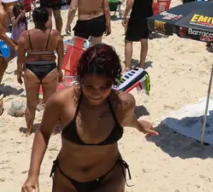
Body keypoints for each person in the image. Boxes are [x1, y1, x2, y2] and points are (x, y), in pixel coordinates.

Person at [22, 44, 156, 192]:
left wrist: (139, 126)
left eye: (104, 87)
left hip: (109, 178)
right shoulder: (61, 101)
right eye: (89, 86)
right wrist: (32, 175)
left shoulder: (123, 103)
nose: (96, 93)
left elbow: (127, 119)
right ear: (80, 78)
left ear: (113, 81)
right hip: (67, 180)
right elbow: (43, 132)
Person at [17, 7, 65, 135]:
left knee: (31, 103)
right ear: (47, 19)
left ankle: (28, 130)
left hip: (31, 70)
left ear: (33, 19)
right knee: (50, 103)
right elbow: (61, 55)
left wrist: (18, 72)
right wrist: (60, 71)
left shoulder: (26, 35)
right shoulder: (55, 34)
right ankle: (52, 129)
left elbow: (20, 56)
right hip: (50, 68)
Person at [122, 0, 154, 70]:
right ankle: (142, 64)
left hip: (137, 14)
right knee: (144, 40)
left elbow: (131, 0)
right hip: (148, 13)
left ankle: (127, 66)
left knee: (128, 40)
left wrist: (125, 14)